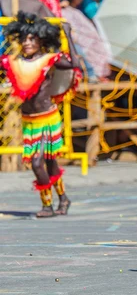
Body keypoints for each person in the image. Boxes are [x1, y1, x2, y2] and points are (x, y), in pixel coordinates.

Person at [1, 12, 80, 217]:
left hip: (48, 119)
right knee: (50, 162)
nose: (27, 43)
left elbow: (75, 66)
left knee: (38, 162)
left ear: (40, 41)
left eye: (32, 39)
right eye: (24, 39)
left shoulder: (49, 60)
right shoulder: (13, 62)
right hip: (29, 122)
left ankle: (47, 206)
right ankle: (63, 199)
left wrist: (68, 36)